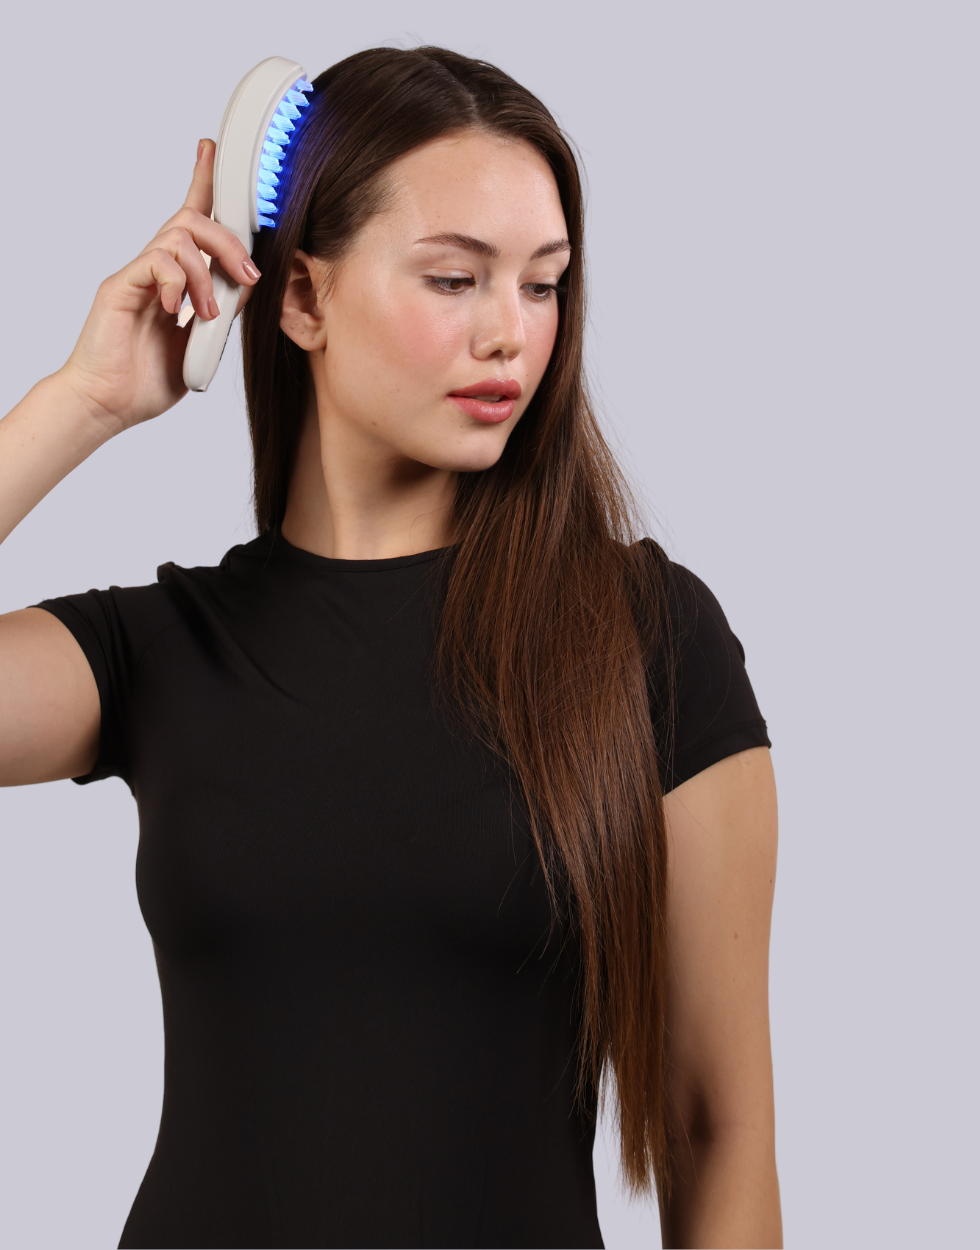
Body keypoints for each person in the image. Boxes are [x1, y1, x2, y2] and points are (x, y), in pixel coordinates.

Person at [0, 46, 781, 1250]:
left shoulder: (643, 637)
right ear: (300, 300)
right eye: (455, 278)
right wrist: (82, 401)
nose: (510, 334)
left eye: (542, 283)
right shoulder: (162, 649)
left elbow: (713, 1126)